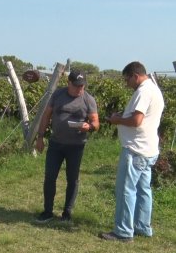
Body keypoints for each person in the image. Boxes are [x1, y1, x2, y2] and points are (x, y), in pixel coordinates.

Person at [100, 61, 164, 243]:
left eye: (127, 79)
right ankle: (143, 227)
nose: (126, 83)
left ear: (135, 76)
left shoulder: (143, 91)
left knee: (126, 190)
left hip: (136, 149)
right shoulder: (154, 89)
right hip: (149, 148)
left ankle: (123, 231)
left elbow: (137, 121)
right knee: (144, 190)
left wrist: (117, 120)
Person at [35, 69, 99, 223]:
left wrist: (88, 127)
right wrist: (40, 137)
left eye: (82, 86)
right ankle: (48, 212)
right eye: (76, 86)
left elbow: (96, 123)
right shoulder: (58, 95)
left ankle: (67, 213)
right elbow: (46, 115)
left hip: (76, 146)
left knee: (72, 179)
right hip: (56, 144)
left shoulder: (88, 100)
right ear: (68, 83)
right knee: (50, 177)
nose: (80, 89)